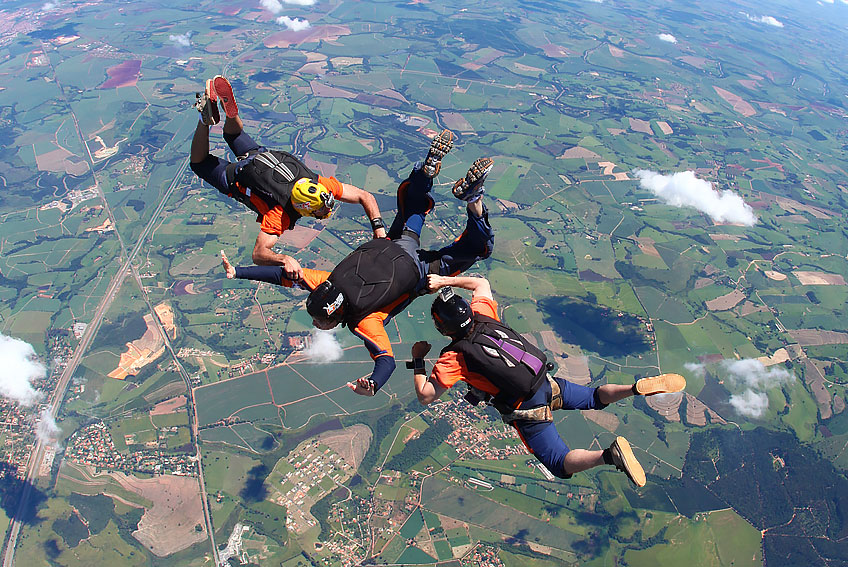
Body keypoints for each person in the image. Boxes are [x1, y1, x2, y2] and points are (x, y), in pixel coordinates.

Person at [221, 131, 496, 396]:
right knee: (413, 207)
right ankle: (426, 173)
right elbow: (283, 275)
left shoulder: (363, 321)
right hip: (394, 243)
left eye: (319, 321)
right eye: (318, 320)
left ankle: (473, 200)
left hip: (420, 270)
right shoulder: (326, 284)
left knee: (476, 249)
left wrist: (374, 384)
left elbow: (386, 361)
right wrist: (238, 272)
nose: (316, 324)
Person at [410, 274, 687, 487]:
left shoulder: (454, 357)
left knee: (559, 463)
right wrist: (444, 281)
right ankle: (635, 388)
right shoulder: (484, 313)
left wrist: (418, 359)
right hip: (544, 382)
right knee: (593, 397)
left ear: (442, 328)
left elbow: (425, 395)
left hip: (527, 409)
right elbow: (481, 283)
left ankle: (609, 455)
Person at [191, 75, 388, 280]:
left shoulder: (319, 184)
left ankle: (231, 114)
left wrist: (378, 228)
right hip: (238, 177)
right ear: (304, 207)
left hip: (260, 158)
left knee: (233, 136)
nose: (327, 209)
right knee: (199, 163)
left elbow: (365, 196)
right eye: (321, 209)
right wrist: (283, 258)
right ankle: (204, 121)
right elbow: (258, 254)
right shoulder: (280, 215)